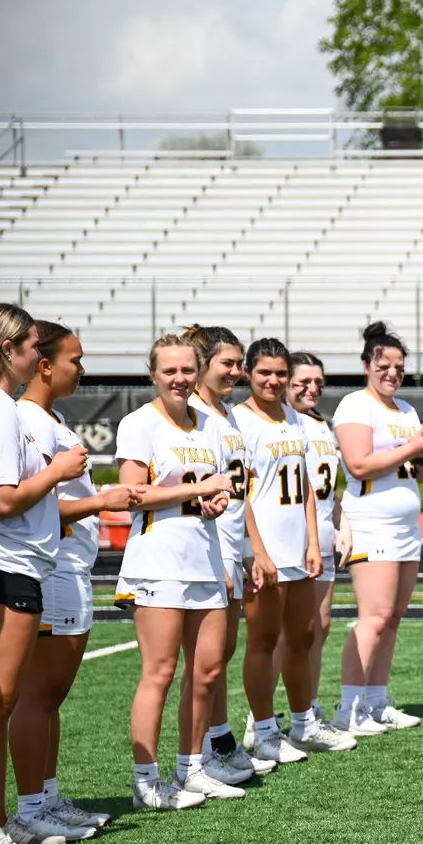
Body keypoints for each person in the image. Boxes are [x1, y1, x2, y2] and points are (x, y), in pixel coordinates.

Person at [0, 306, 85, 844]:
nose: (39, 356)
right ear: (8, 349)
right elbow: (1, 500)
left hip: (8, 563)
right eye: (33, 345)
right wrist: (58, 471)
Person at [10, 322, 140, 844]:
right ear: (45, 364)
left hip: (70, 566)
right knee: (37, 697)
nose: (81, 369)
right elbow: (28, 502)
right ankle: (27, 811)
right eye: (74, 359)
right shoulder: (30, 420)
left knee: (50, 698)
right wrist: (100, 502)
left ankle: (47, 797)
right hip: (53, 566)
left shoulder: (52, 419)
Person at [116, 334, 238, 809]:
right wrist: (198, 488)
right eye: (169, 371)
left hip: (204, 555)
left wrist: (214, 499)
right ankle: (146, 782)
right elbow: (131, 495)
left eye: (187, 370)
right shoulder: (138, 423)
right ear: (153, 374)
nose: (180, 379)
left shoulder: (208, 423)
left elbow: (208, 488)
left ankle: (193, 768)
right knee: (161, 672)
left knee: (206, 670)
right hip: (159, 559)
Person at [234, 338, 350, 764]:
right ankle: (263, 730)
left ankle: (303, 722)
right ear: (248, 372)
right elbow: (240, 492)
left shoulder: (295, 420)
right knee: (264, 641)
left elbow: (303, 486)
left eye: (280, 373)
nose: (273, 380)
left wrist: (314, 543)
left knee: (303, 638)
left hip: (298, 547)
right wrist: (258, 551)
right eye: (264, 372)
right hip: (265, 549)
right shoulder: (238, 420)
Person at [334, 322, 423, 734]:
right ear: (366, 364)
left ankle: (377, 701)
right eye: (384, 365)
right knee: (375, 617)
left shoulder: (406, 409)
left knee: (394, 618)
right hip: (371, 522)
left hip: (404, 528)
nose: (392, 373)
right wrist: (411, 448)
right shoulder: (354, 405)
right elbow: (359, 464)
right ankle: (348, 708)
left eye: (399, 366)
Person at [184, 326, 262, 787]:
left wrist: (248, 551)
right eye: (226, 364)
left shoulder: (228, 414)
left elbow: (240, 493)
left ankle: (218, 739)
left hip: (230, 543)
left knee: (221, 653)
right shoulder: (193, 416)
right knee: (206, 658)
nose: (236, 372)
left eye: (238, 364)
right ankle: (202, 752)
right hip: (205, 546)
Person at [275, 352, 352, 741]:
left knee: (318, 629)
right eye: (302, 381)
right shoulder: (282, 423)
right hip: (289, 539)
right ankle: (266, 721)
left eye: (318, 382)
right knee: (281, 634)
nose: (312, 389)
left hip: (321, 536)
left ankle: (310, 709)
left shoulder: (323, 424)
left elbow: (329, 489)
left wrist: (343, 525)